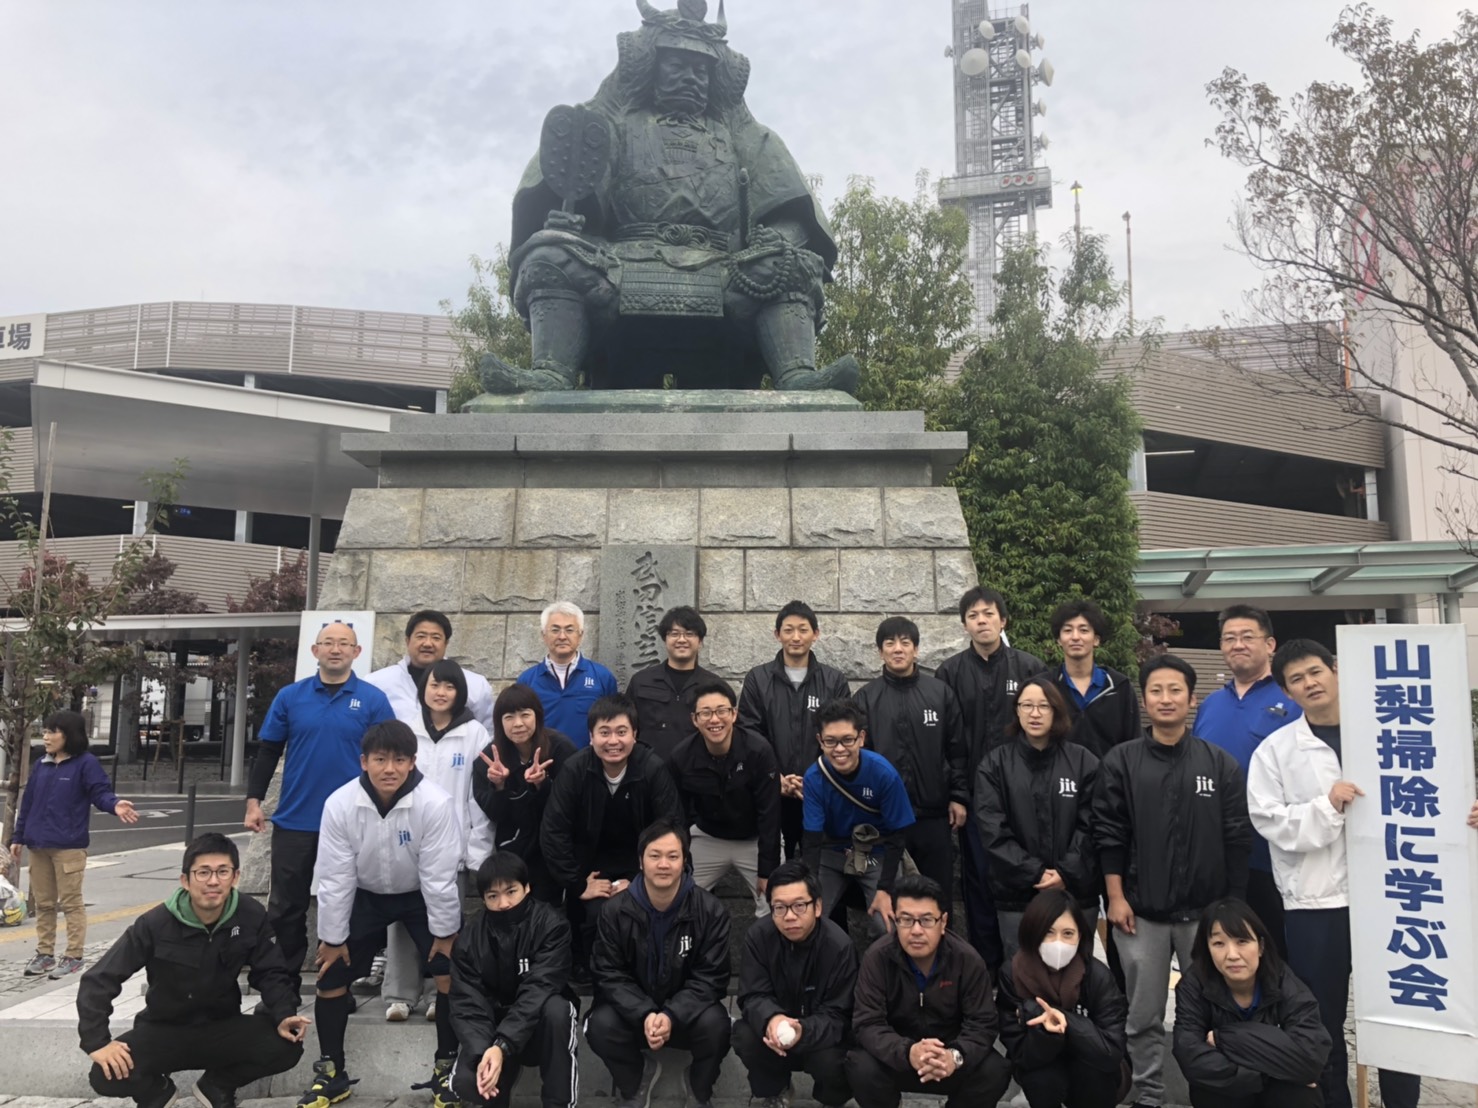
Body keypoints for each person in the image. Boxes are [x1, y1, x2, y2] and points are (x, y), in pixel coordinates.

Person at [483, 1, 857, 395]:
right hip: (620, 264)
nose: (691, 77)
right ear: (651, 68)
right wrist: (567, 225)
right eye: (676, 65)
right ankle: (550, 372)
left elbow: (796, 214)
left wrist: (778, 239)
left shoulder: (746, 138)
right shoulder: (611, 125)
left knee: (792, 265)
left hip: (726, 267)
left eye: (701, 70)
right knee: (548, 255)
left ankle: (796, 375)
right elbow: (570, 187)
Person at [1247, 639, 1420, 1108]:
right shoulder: (1276, 750)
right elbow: (1269, 821)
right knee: (1319, 1016)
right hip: (1316, 902)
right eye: (1297, 679)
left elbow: (1431, 794)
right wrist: (1327, 805)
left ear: (1337, 670)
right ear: (1286, 691)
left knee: (1395, 1011)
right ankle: (1332, 1101)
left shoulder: (1392, 733)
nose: (1310, 683)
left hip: (1393, 896)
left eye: (1315, 672)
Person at [1094, 654, 1253, 1108]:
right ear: (1145, 701)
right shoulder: (1121, 762)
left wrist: (1232, 908)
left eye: (1175, 691)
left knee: (1218, 1009)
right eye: (1157, 691)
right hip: (1140, 913)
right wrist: (1116, 896)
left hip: (1207, 915)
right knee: (1142, 1015)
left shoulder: (1218, 764)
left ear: (1192, 699)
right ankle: (1148, 1094)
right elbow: (1109, 833)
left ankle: (1215, 1092)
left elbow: (1237, 836)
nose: (1166, 699)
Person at [296, 721, 463, 1108]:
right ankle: (331, 1072)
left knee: (449, 970)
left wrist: (444, 933)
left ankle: (447, 1067)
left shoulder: (435, 803)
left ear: (412, 762)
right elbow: (335, 877)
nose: (390, 768)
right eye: (380, 759)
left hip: (419, 895)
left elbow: (440, 877)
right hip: (366, 895)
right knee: (331, 972)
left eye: (399, 760)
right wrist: (333, 939)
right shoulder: (340, 803)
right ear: (364, 761)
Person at [77, 833, 309, 1108]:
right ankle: (157, 1093)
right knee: (105, 1075)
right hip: (164, 1029)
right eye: (203, 873)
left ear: (235, 877)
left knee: (286, 1047)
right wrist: (98, 1041)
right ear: (185, 880)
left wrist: (284, 1014)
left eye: (222, 872)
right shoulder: (155, 923)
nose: (213, 881)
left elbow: (271, 972)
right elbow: (100, 979)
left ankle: (217, 1086)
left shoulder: (250, 915)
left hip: (222, 1027)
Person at [244, 620, 396, 973]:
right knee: (285, 908)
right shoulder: (290, 696)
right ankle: (281, 985)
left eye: (344, 643)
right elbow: (268, 751)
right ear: (315, 651)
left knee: (354, 903)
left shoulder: (373, 700)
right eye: (328, 642)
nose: (336, 649)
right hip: (296, 819)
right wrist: (254, 801)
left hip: (354, 820)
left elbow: (389, 758)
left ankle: (346, 980)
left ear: (356, 652)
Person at [935, 586, 1047, 969]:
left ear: (1003, 620)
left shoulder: (1030, 669)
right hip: (975, 799)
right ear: (965, 624)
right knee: (979, 884)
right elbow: (948, 743)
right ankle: (988, 975)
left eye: (988, 614)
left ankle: (1032, 971)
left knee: (1029, 876)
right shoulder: (949, 673)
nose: (981, 621)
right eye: (973, 615)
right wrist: (958, 794)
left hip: (1027, 795)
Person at [585, 821, 733, 1108]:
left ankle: (699, 1088)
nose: (663, 864)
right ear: (640, 861)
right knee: (599, 1025)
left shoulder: (710, 910)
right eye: (655, 856)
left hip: (686, 1015)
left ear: (685, 861)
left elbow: (712, 977)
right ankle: (635, 1081)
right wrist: (645, 1013)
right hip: (635, 1015)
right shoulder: (614, 911)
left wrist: (671, 1014)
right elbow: (608, 973)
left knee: (718, 1024)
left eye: (672, 856)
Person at [382, 659, 496, 1022]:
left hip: (452, 845)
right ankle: (400, 993)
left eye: (448, 687)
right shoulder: (405, 731)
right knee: (400, 920)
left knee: (445, 920)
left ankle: (438, 991)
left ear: (459, 692)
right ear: (423, 690)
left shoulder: (476, 733)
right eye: (434, 686)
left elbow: (478, 799)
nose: (441, 693)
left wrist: (478, 849)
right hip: (407, 841)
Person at [539, 695, 684, 969]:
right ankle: (593, 979)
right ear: (591, 736)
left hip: (641, 865)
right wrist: (577, 883)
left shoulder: (653, 768)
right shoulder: (575, 770)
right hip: (589, 869)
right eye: (604, 733)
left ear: (635, 735)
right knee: (594, 916)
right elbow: (553, 831)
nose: (613, 741)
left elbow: (672, 825)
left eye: (621, 732)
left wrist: (644, 879)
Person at [848, 874, 1012, 1108]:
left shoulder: (967, 960)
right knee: (860, 1064)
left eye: (926, 920)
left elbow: (982, 1024)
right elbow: (867, 1023)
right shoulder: (877, 958)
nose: (916, 930)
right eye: (906, 920)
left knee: (995, 1070)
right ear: (895, 920)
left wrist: (954, 1056)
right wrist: (907, 1052)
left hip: (948, 1059)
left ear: (943, 922)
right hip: (898, 1057)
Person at [1194, 606, 1302, 958]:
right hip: (1216, 854)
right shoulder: (1211, 704)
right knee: (1225, 951)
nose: (1237, 645)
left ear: (1270, 644)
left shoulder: (1293, 700)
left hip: (1273, 855)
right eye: (1229, 638)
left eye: (1247, 637)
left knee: (1275, 949)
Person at [975, 677, 1101, 958]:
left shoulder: (1084, 763)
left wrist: (1065, 873)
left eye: (1043, 706)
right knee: (1022, 975)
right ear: (1016, 711)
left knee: (1076, 975)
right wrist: (1034, 872)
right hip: (1017, 896)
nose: (1034, 713)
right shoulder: (994, 765)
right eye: (1027, 705)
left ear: (1056, 710)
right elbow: (992, 831)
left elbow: (1093, 825)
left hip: (1075, 892)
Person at [10, 709, 138, 978]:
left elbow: (100, 793)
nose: (46, 736)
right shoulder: (41, 764)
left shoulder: (85, 763)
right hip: (38, 845)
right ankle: (45, 953)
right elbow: (28, 802)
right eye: (45, 731)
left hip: (68, 846)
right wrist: (18, 837)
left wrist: (115, 805)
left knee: (70, 903)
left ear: (69, 735)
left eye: (52, 731)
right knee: (44, 903)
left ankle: (74, 955)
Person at [447, 852, 579, 1108]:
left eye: (511, 891)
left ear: (527, 887)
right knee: (465, 1082)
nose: (503, 903)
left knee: (557, 1009)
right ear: (483, 898)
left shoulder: (552, 925)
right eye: (493, 896)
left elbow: (539, 989)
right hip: (492, 1029)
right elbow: (467, 1003)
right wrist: (485, 1052)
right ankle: (497, 1090)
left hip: (538, 1028)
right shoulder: (469, 938)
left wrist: (502, 1045)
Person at [854, 616, 969, 905]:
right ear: (880, 652)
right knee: (889, 900)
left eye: (905, 642)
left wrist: (958, 796)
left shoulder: (939, 693)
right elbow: (857, 759)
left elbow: (956, 750)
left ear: (916, 650)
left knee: (937, 896)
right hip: (885, 819)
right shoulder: (866, 698)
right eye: (890, 643)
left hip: (933, 816)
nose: (898, 649)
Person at [1172, 898, 1330, 1108]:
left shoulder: (1284, 981)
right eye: (1219, 943)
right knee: (1210, 1089)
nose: (1232, 955)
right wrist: (1267, 1071)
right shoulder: (1193, 985)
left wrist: (1224, 1038)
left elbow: (1311, 1057)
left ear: (1261, 946)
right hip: (1230, 1091)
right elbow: (1189, 1054)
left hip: (1278, 1095)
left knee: (1302, 1095)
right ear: (1207, 949)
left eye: (1242, 941)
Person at [734, 859, 857, 1108]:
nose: (789, 916)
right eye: (779, 907)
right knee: (744, 1034)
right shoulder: (758, 937)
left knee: (838, 1056)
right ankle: (775, 1091)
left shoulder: (839, 946)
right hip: (775, 1034)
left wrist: (804, 1029)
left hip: (818, 1037)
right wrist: (772, 1019)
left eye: (799, 906)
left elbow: (839, 1013)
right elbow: (752, 995)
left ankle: (831, 1100)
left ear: (818, 906)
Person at [739, 600, 851, 861]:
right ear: (777, 635)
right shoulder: (758, 678)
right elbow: (749, 733)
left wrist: (815, 779)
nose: (796, 637)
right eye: (788, 630)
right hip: (773, 793)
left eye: (803, 629)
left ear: (816, 634)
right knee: (777, 866)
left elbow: (843, 737)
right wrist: (775, 778)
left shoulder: (834, 681)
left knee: (824, 868)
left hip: (823, 790)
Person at [995, 888, 1128, 1108]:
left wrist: (1066, 1021)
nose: (1058, 942)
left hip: (1093, 1065)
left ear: (1080, 936)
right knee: (1042, 1079)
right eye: (1048, 932)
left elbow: (1111, 1051)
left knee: (1094, 1076)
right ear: (1033, 932)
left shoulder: (1097, 976)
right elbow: (1019, 1052)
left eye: (1068, 933)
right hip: (1042, 1062)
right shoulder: (1013, 973)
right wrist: (1047, 1033)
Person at [666, 679, 781, 916]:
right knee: (675, 899)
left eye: (721, 711)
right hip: (708, 836)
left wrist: (767, 870)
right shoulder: (681, 757)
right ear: (694, 720)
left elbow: (770, 814)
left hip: (754, 839)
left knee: (776, 902)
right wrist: (683, 862)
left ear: (734, 714)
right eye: (705, 713)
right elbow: (678, 815)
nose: (714, 719)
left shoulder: (758, 751)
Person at [803, 698, 916, 936]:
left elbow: (898, 835)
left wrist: (885, 890)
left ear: (861, 738)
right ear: (820, 741)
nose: (840, 749)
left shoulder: (882, 773)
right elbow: (812, 839)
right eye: (830, 741)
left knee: (886, 923)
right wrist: (810, 889)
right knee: (808, 917)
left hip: (876, 852)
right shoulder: (814, 777)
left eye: (847, 740)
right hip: (832, 851)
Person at [471, 684, 578, 905]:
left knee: (549, 913)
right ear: (499, 722)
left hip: (552, 852)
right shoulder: (490, 760)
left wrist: (543, 785)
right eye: (509, 717)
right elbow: (494, 814)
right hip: (511, 853)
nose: (518, 724)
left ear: (537, 716)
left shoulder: (561, 749)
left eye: (525, 715)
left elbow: (573, 805)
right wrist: (499, 786)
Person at [368, 609, 495, 730]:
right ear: (407, 641)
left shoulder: (475, 684)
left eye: (436, 637)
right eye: (421, 636)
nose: (428, 643)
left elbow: (487, 732)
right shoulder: (376, 683)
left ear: (446, 644)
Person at [624, 606, 721, 762]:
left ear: (700, 641)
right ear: (665, 639)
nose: (681, 639)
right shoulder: (641, 681)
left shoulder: (713, 685)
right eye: (674, 634)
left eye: (689, 634)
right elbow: (626, 726)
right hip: (648, 772)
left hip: (698, 772)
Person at [1048, 600, 1140, 757]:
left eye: (1084, 630)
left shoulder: (1119, 687)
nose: (1075, 637)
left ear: (1096, 639)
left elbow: (1133, 743)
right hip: (1057, 779)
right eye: (1068, 630)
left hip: (1109, 778)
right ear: (1059, 640)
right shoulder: (1046, 686)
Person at [517, 602, 619, 744]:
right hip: (543, 763)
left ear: (581, 635)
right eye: (555, 630)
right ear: (543, 635)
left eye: (569, 630)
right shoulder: (527, 680)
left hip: (588, 763)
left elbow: (614, 723)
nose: (562, 636)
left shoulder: (602, 677)